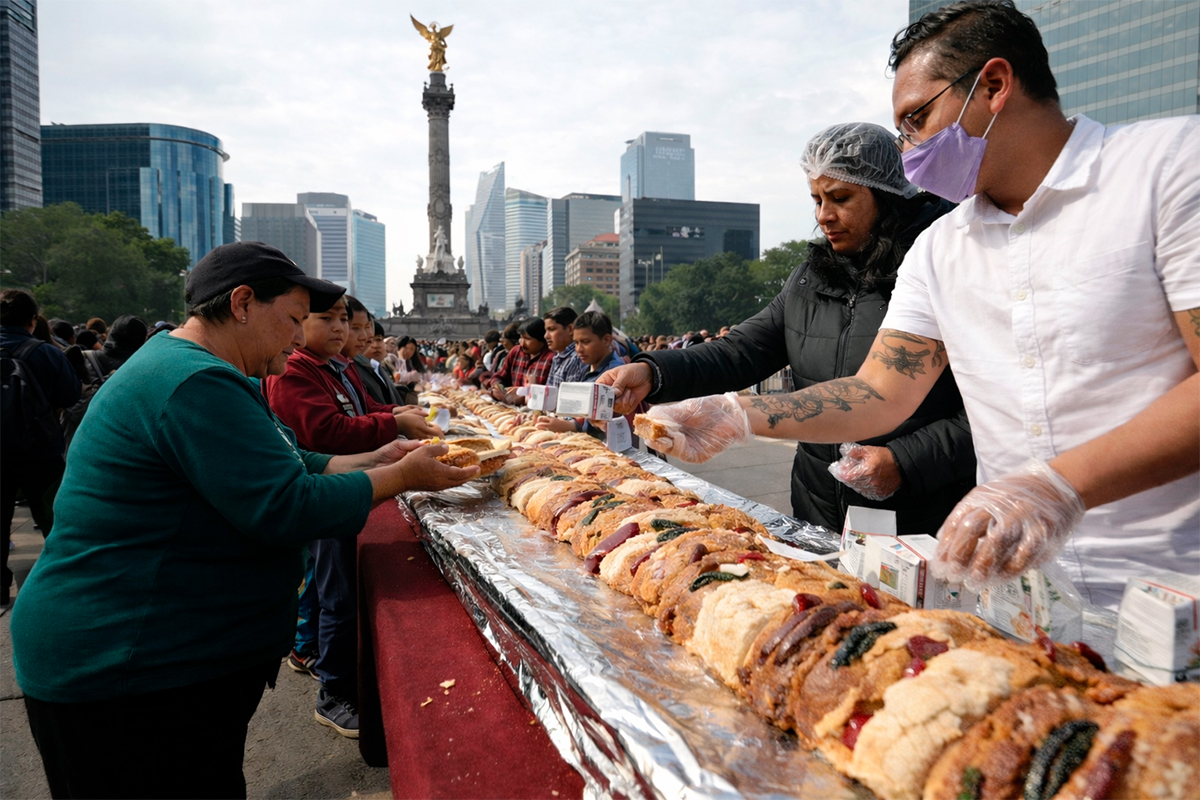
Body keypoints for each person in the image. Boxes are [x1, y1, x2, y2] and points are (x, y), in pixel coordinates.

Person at [621, 0, 1199, 610]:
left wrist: (1060, 483)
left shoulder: (1166, 168)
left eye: (916, 119)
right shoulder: (942, 248)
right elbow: (877, 393)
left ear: (994, 85)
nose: (909, 147)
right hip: (1017, 592)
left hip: (1175, 582)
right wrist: (738, 415)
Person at [9, 241, 477, 798]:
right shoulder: (192, 381)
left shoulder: (208, 371)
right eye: (294, 320)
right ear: (242, 303)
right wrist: (402, 478)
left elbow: (288, 461)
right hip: (128, 666)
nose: (300, 338)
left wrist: (377, 458)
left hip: (160, 659)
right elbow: (284, 505)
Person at [601, 122, 974, 536]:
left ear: (887, 195)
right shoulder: (809, 280)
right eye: (816, 199)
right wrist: (655, 372)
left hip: (925, 517)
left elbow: (988, 406)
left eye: (841, 198)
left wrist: (907, 461)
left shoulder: (942, 268)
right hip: (818, 507)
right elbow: (740, 350)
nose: (823, 215)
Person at [265, 295, 440, 738]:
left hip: (346, 485)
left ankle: (346, 678)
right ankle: (334, 691)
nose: (345, 330)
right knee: (336, 596)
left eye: (348, 321)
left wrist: (395, 416)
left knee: (342, 591)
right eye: (330, 319)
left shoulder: (334, 369)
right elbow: (324, 433)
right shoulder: (298, 369)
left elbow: (361, 412)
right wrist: (395, 428)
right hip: (330, 496)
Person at [1, 290, 82, 606]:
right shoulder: (45, 353)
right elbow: (70, 396)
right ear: (33, 321)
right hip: (40, 452)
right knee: (55, 519)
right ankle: (62, 582)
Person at [536, 310, 626, 436]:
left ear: (606, 340)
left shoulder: (615, 373)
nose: (579, 349)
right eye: (576, 343)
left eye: (586, 342)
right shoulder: (587, 367)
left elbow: (604, 417)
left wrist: (569, 425)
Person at [487, 317, 553, 405]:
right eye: (521, 338)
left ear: (541, 339)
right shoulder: (516, 352)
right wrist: (499, 387)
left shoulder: (551, 358)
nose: (522, 343)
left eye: (527, 339)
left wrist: (525, 393)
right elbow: (499, 376)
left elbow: (550, 394)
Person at [355, 319, 400, 405]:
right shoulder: (354, 370)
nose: (375, 346)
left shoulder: (378, 367)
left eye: (379, 340)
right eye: (370, 341)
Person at [543, 306, 588, 387]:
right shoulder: (557, 356)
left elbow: (569, 396)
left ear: (570, 329)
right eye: (546, 330)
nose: (546, 336)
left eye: (552, 329)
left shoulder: (576, 358)